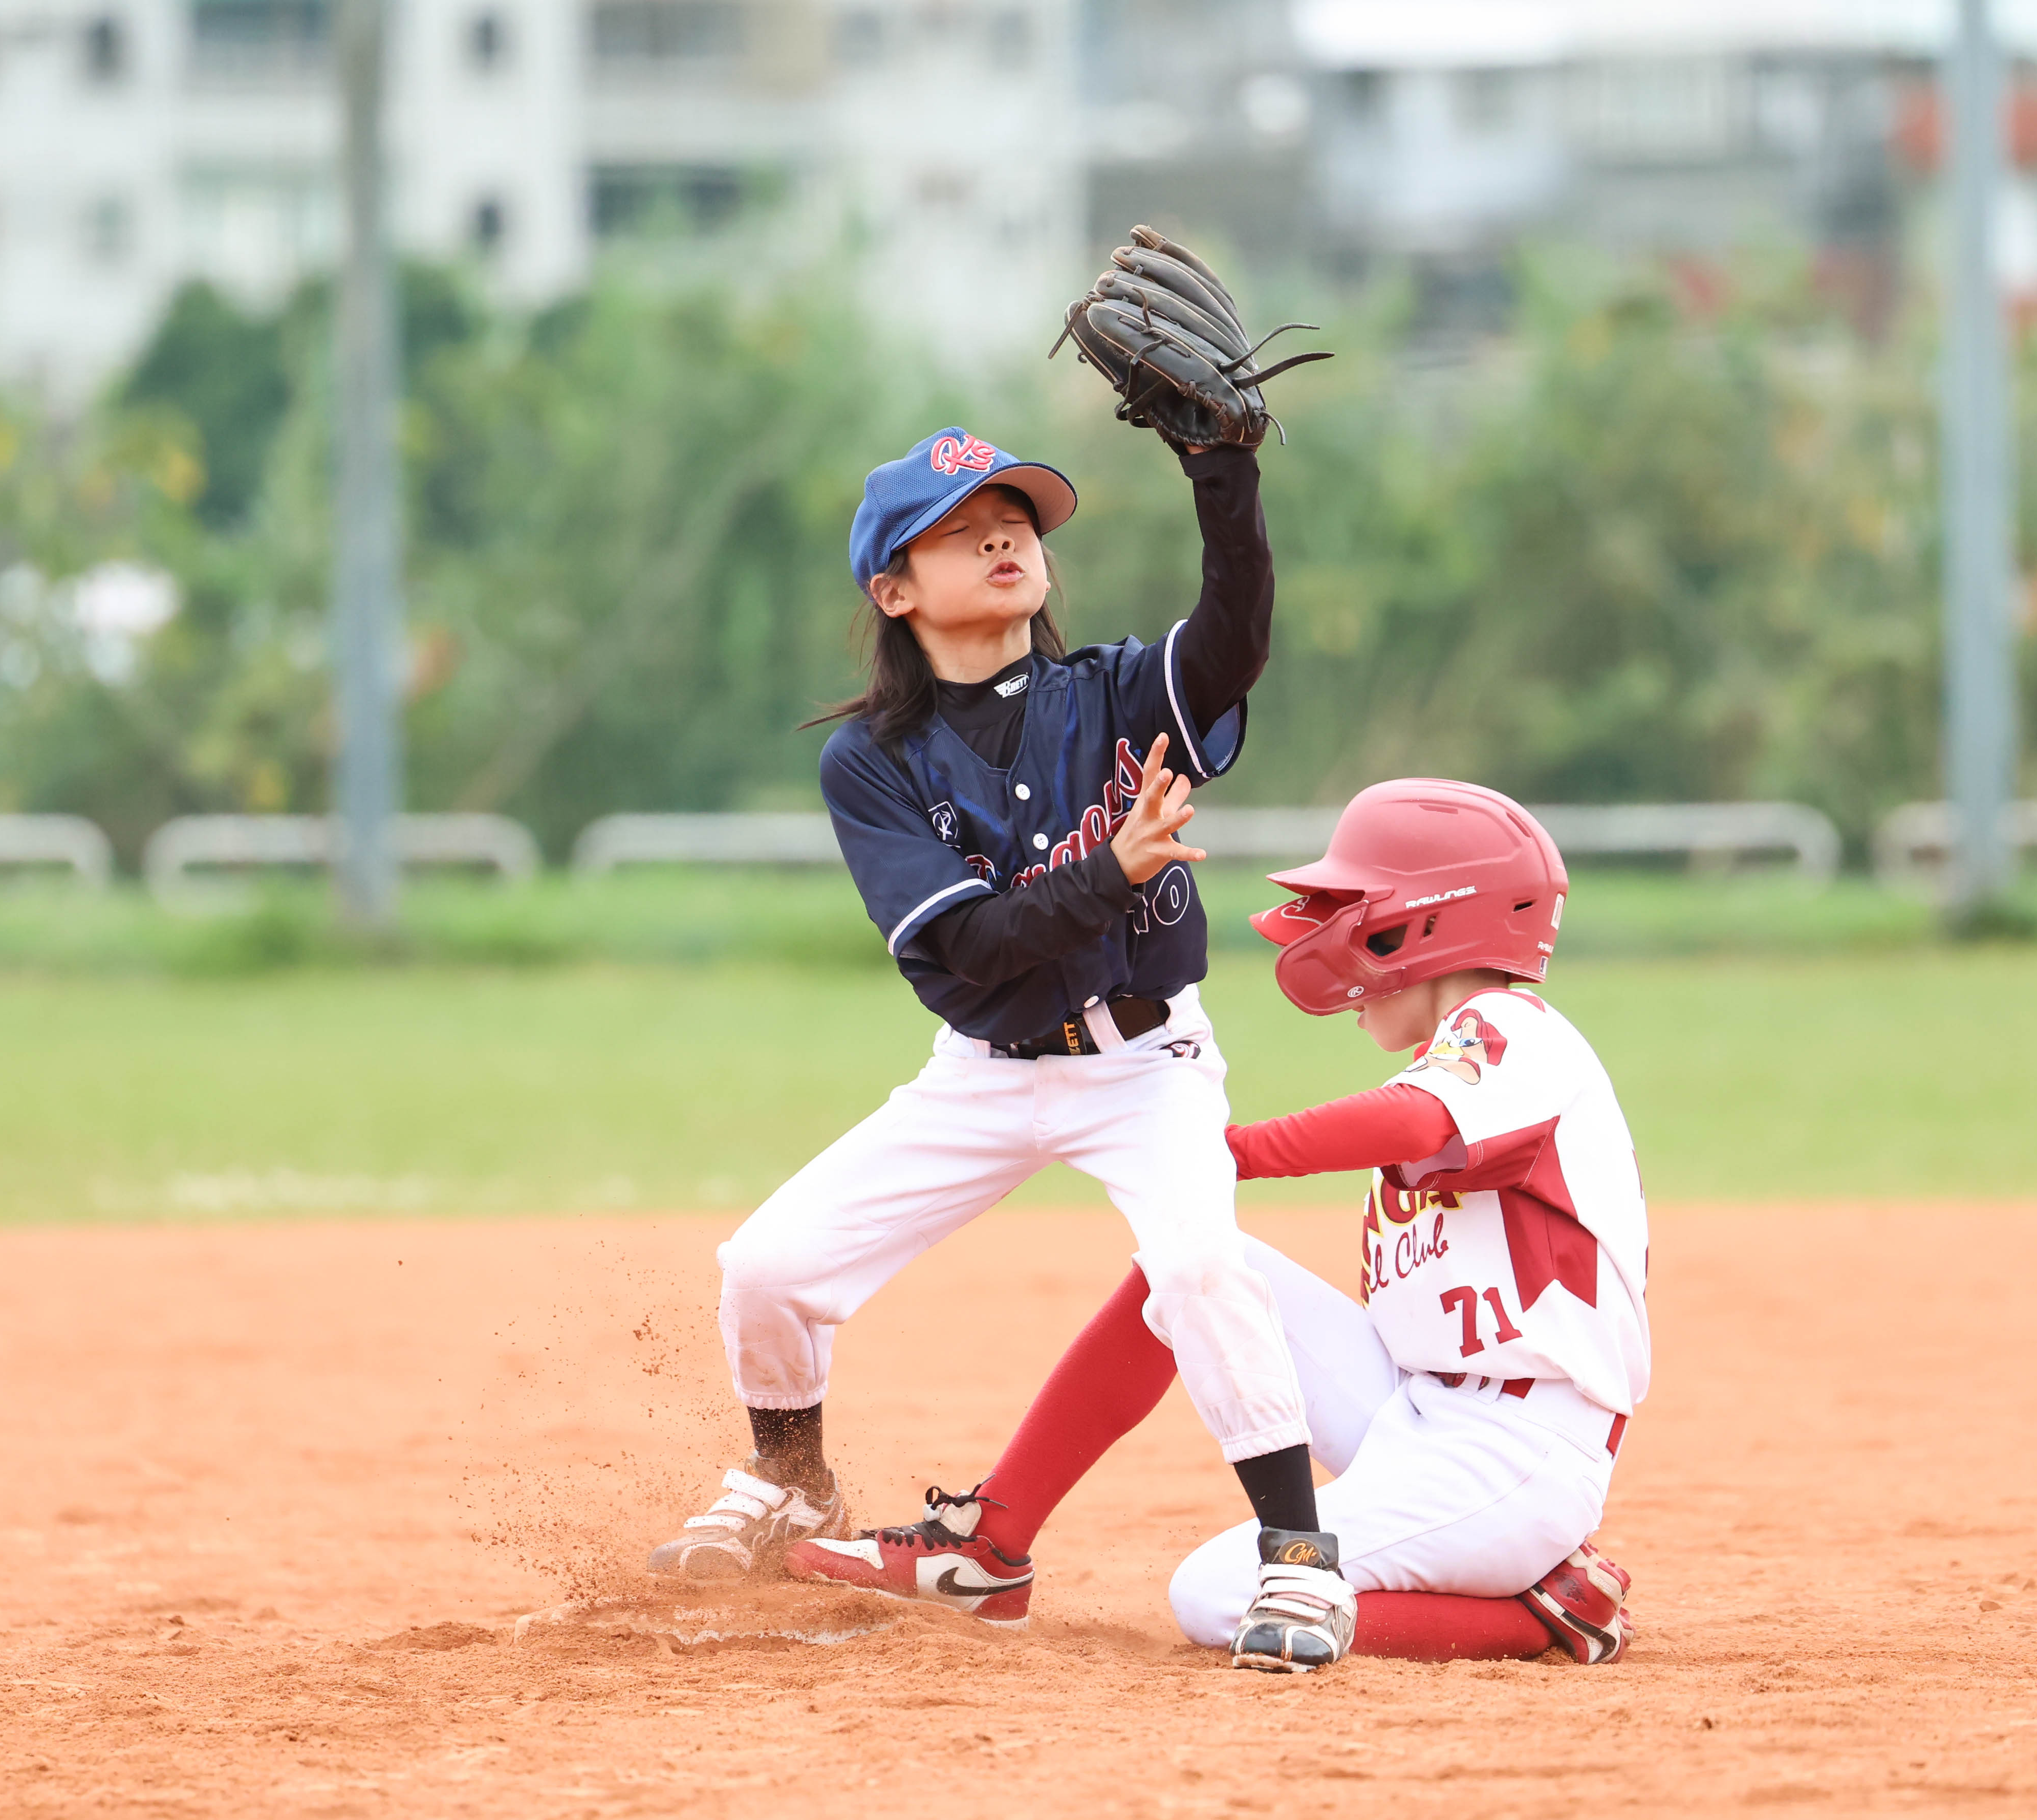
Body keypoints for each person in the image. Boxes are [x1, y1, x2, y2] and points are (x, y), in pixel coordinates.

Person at [647, 425, 1355, 1672]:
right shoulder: (870, 760)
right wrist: (1109, 866)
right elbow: (972, 949)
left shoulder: (1121, 693)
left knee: (1196, 1266)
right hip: (980, 1073)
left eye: (1018, 517)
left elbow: (1236, 630)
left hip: (1145, 1068)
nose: (1004, 535)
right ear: (894, 588)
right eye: (959, 525)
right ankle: (791, 1476)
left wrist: (1220, 470)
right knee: (765, 1266)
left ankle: (1297, 1557)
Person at [790, 779, 1649, 1670]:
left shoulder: (1512, 1028)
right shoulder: (1469, 1047)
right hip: (1423, 1407)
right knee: (1193, 1263)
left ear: (1427, 921)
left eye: (1357, 907)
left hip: (1517, 1449)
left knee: (1217, 1593)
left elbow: (1412, 1123)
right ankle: (989, 1545)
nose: (1335, 934)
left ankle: (1550, 1612)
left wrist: (1222, 1150)